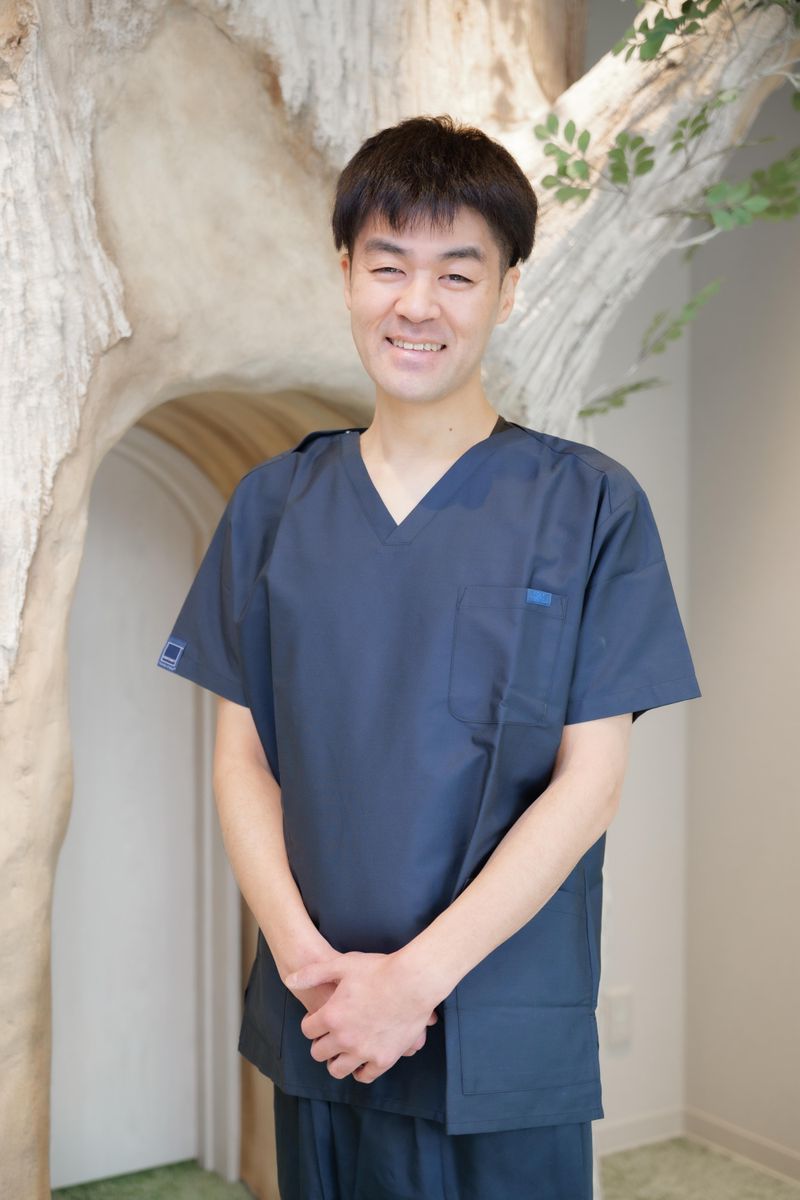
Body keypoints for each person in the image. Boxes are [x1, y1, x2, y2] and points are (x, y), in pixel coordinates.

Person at [156, 114, 702, 1199]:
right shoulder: (272, 506)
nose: (417, 304)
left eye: (457, 273)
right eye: (387, 265)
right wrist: (312, 969)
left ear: (507, 291)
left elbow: (589, 784)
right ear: (345, 275)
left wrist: (414, 983)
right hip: (323, 1013)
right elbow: (242, 760)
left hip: (494, 1025)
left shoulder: (590, 505)